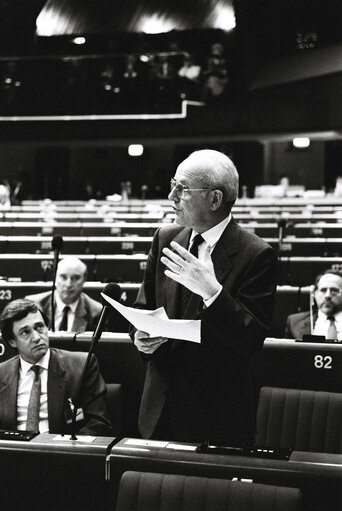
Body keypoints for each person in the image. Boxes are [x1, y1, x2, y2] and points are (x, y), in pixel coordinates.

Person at [130, 149, 278, 445]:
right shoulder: (165, 238)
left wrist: (212, 292)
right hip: (159, 410)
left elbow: (251, 341)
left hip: (217, 417)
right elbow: (143, 308)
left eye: (182, 188)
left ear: (214, 199)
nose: (171, 196)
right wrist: (140, 337)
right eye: (173, 184)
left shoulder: (257, 255)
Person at [0, 299, 112, 435]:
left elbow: (99, 423)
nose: (36, 337)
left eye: (39, 327)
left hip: (61, 452)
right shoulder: (2, 373)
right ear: (12, 341)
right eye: (25, 332)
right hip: (12, 452)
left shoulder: (82, 365)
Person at [26, 256, 102, 332]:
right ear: (55, 277)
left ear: (84, 280)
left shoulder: (97, 313)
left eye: (76, 278)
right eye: (63, 277)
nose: (68, 284)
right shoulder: (33, 306)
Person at [285, 269, 342, 340]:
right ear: (314, 294)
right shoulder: (294, 323)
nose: (327, 296)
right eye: (323, 290)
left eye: (334, 290)